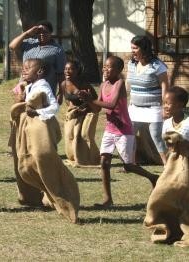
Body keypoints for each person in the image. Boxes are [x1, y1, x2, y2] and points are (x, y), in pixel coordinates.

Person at [80, 56, 159, 207]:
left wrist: (91, 99)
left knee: (128, 165)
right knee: (104, 162)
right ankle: (108, 199)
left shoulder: (120, 83)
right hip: (110, 129)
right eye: (104, 66)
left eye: (109, 67)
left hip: (124, 130)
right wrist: (87, 101)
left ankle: (153, 177)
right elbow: (97, 108)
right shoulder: (103, 85)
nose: (105, 69)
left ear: (118, 70)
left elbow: (111, 104)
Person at [10, 58, 80, 222]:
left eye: (28, 68)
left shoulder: (43, 86)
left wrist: (38, 113)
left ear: (40, 71)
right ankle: (37, 197)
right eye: (23, 67)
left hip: (40, 132)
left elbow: (54, 106)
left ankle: (65, 197)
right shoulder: (30, 85)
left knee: (43, 161)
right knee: (27, 165)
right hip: (28, 131)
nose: (24, 70)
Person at [144, 86, 189, 247]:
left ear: (181, 105)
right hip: (173, 165)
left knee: (181, 197)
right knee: (162, 194)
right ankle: (167, 228)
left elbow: (182, 139)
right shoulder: (167, 123)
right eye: (164, 103)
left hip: (186, 164)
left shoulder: (188, 122)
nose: (165, 106)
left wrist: (179, 140)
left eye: (169, 103)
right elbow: (167, 144)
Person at [126, 35, 168, 165]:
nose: (132, 51)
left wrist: (165, 107)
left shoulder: (157, 65)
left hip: (153, 108)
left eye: (135, 48)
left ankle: (168, 165)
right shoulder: (131, 64)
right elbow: (129, 85)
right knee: (130, 135)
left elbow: (165, 86)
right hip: (134, 108)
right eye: (131, 48)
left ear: (144, 48)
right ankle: (131, 164)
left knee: (156, 136)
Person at [9, 20, 66, 102]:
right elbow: (12, 46)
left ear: (51, 33)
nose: (42, 34)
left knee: (42, 113)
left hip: (43, 89)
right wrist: (27, 33)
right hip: (25, 88)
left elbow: (61, 73)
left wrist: (60, 93)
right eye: (39, 32)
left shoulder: (57, 50)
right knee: (23, 112)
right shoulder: (29, 43)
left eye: (45, 32)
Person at [62, 60, 100, 167]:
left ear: (77, 71)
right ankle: (74, 157)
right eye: (65, 69)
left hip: (88, 111)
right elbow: (67, 99)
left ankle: (91, 159)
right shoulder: (64, 84)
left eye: (71, 69)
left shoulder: (84, 84)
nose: (67, 71)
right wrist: (72, 109)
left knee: (84, 135)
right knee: (69, 134)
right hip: (74, 113)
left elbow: (95, 103)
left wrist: (84, 110)